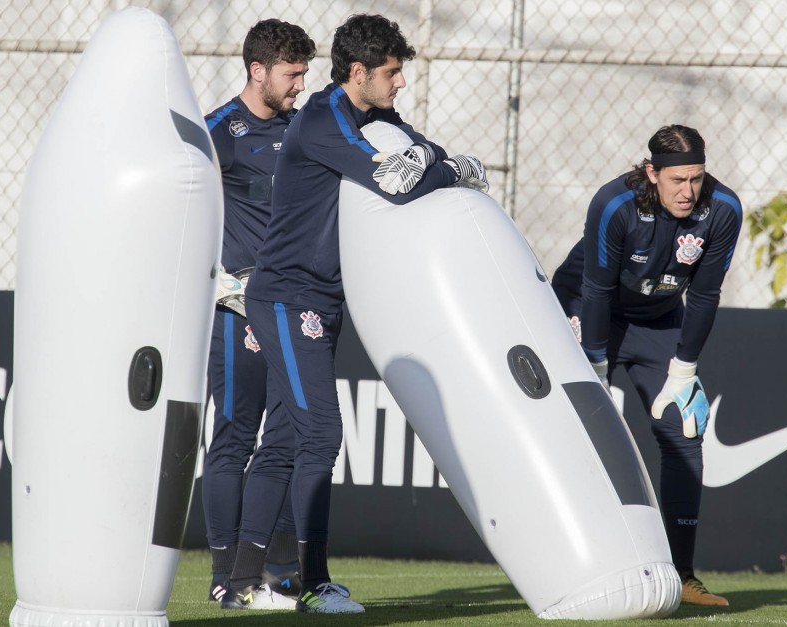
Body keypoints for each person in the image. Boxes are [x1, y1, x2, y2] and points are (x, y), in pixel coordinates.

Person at [224, 13, 488, 615]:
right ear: (358, 71)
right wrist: (448, 171)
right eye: (392, 73)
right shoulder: (322, 120)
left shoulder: (374, 115)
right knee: (321, 433)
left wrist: (438, 164)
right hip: (287, 296)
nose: (400, 85)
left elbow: (426, 154)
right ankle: (307, 582)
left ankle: (253, 582)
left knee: (289, 438)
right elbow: (398, 182)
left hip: (320, 298)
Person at [551, 125, 742, 607]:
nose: (688, 191)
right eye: (677, 179)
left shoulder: (723, 209)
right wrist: (595, 369)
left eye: (696, 178)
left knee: (685, 428)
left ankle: (682, 576)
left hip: (657, 320)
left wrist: (684, 371)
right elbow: (594, 289)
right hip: (589, 309)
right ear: (652, 172)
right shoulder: (614, 204)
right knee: (576, 434)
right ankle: (567, 568)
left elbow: (704, 294)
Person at [201, 18, 316, 610]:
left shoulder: (303, 129)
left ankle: (278, 571)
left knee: (292, 437)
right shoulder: (215, 132)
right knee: (235, 435)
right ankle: (226, 578)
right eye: (292, 74)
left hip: (294, 308)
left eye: (303, 73)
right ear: (258, 70)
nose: (299, 85)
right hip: (237, 308)